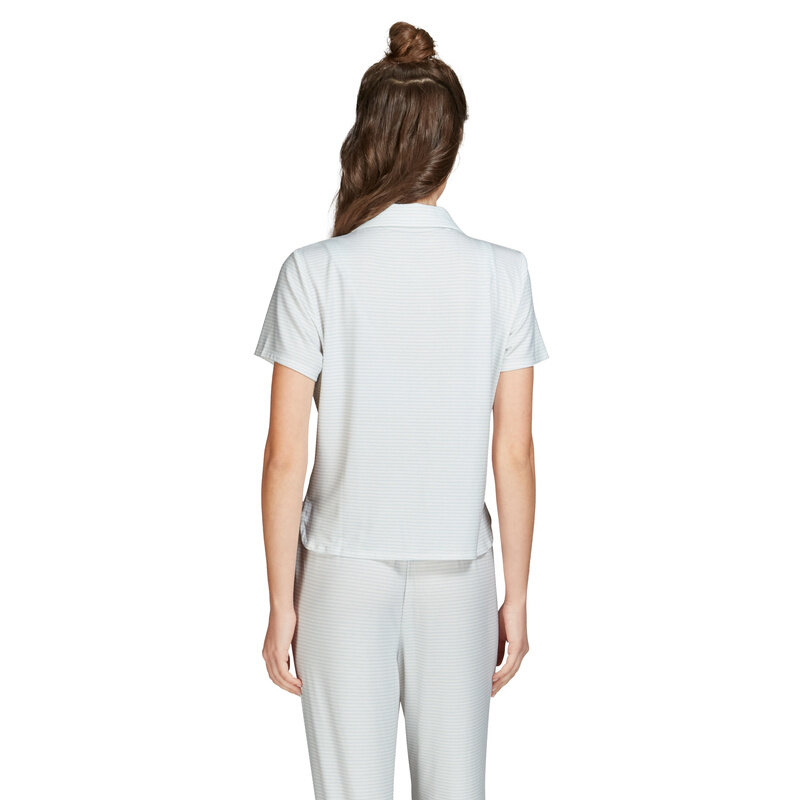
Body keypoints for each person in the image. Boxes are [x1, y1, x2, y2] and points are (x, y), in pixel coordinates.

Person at [254, 20, 549, 800]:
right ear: (451, 147)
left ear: (368, 140)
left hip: (342, 570)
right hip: (459, 572)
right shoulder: (503, 274)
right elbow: (514, 451)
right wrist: (518, 596)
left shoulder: (314, 272)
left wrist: (280, 602)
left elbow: (285, 454)